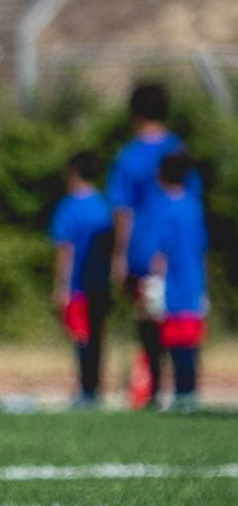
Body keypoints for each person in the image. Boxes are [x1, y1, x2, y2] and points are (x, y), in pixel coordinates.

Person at [106, 82, 197, 403]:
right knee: (181, 316)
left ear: (134, 113)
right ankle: (183, 390)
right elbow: (192, 201)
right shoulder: (179, 149)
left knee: (149, 317)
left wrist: (119, 254)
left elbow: (123, 209)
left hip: (144, 249)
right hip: (181, 255)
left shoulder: (129, 156)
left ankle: (156, 387)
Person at [140, 153, 208, 410]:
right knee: (189, 341)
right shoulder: (193, 206)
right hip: (193, 282)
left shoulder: (163, 208)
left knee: (170, 339)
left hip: (173, 284)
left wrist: (154, 284)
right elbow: (201, 249)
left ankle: (170, 392)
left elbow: (160, 252)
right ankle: (188, 391)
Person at [49, 151, 114, 407]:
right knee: (98, 336)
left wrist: (60, 286)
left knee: (81, 337)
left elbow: (65, 249)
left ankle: (86, 390)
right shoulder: (105, 205)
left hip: (78, 283)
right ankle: (95, 387)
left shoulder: (69, 206)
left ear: (73, 173)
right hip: (101, 282)